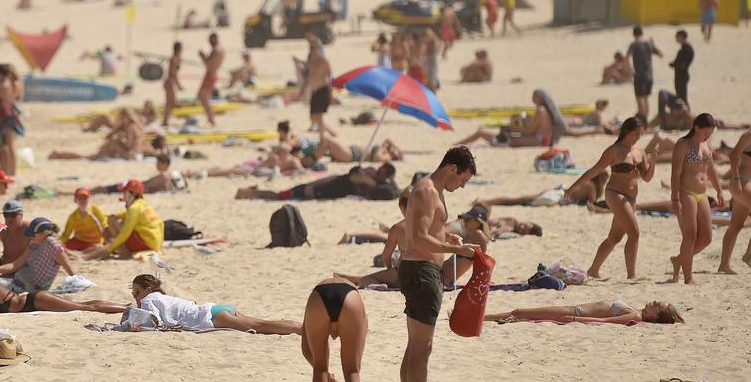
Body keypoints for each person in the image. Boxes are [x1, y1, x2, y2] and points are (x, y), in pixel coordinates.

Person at [400, 146, 478, 382]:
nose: (463, 186)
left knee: (416, 346)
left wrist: (446, 236)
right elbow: (418, 238)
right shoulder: (427, 190)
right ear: (452, 168)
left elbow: (428, 230)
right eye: (463, 179)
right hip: (422, 271)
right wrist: (456, 249)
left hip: (420, 270)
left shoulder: (434, 190)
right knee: (423, 348)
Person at [566, 117, 655, 279]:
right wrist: (572, 188)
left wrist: (653, 160)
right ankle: (632, 275)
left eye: (640, 134)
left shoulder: (639, 152)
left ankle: (593, 270)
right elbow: (593, 171)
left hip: (631, 197)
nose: (638, 137)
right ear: (627, 131)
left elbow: (647, 177)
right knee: (634, 233)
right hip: (615, 194)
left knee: (614, 238)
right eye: (636, 133)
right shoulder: (614, 151)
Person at [127, 273, 300, 334]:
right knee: (262, 323)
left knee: (261, 326)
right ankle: (302, 327)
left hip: (210, 316)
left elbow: (151, 323)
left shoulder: (148, 300)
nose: (136, 297)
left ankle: (303, 329)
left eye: (138, 292)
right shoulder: (162, 297)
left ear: (148, 289)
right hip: (215, 309)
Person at [670, 114, 723, 284]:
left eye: (710, 133)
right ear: (696, 127)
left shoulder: (706, 144)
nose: (707, 136)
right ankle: (688, 277)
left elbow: (711, 170)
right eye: (705, 132)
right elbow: (675, 174)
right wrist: (675, 198)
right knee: (690, 235)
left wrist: (719, 190)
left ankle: (679, 260)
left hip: (702, 194)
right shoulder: (682, 145)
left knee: (706, 237)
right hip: (686, 193)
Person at [0, 259, 125, 315]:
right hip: (34, 300)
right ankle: (125, 307)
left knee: (88, 308)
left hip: (36, 301)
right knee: (86, 304)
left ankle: (126, 309)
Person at [301, 278, 366, 382]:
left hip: (319, 295)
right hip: (350, 296)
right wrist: (329, 375)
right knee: (352, 370)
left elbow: (305, 348)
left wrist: (324, 372)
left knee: (319, 368)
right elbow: (357, 362)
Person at [80, 179, 163, 260]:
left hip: (146, 244)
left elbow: (125, 233)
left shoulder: (134, 208)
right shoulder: (143, 204)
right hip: (154, 244)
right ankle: (115, 248)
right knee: (112, 219)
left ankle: (124, 252)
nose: (123, 194)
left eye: (124, 192)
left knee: (113, 221)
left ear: (131, 193)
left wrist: (110, 248)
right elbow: (161, 224)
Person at [455, 89, 564, 148]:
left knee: (508, 140)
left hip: (540, 140)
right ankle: (458, 144)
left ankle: (457, 144)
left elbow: (531, 130)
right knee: (504, 138)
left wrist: (513, 129)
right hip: (544, 140)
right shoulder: (548, 111)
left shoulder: (541, 110)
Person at [0, 217, 75, 292]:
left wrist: (74, 281)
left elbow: (71, 272)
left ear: (44, 233)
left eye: (33, 234)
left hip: (31, 286)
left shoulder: (52, 244)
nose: (30, 236)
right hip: (18, 279)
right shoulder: (34, 244)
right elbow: (14, 265)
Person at [237, 164, 400, 202]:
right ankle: (249, 193)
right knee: (281, 195)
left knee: (283, 194)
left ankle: (251, 192)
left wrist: (367, 177)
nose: (378, 172)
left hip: (324, 188)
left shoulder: (374, 182)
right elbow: (352, 177)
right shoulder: (367, 176)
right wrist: (364, 175)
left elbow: (390, 191)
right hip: (321, 188)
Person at [483, 300, 683, 326]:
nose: (655, 301)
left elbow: (603, 320)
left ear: (655, 315)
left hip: (574, 311)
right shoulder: (638, 312)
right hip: (573, 309)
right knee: (522, 314)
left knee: (519, 311)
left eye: (658, 305)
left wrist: (576, 318)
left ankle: (481, 317)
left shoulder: (634, 317)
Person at [718, 131, 751, 274]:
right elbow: (733, 155)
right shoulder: (749, 135)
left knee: (735, 225)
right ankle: (749, 256)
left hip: (746, 183)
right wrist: (736, 178)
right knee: (735, 226)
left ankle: (724, 265)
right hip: (741, 181)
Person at [0, 64, 23, 176]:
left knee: (3, 147)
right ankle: (12, 172)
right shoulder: (17, 84)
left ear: (0, 74)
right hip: (12, 115)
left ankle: (5, 172)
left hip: (3, 117)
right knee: (10, 146)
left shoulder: (3, 86)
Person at [627, 26, 662, 120]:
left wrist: (630, 71)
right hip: (649, 76)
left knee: (640, 100)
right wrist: (653, 44)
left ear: (634, 34)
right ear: (642, 33)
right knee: (646, 99)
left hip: (639, 76)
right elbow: (661, 54)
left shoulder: (634, 44)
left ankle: (642, 121)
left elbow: (626, 59)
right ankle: (645, 120)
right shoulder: (648, 44)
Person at [304, 31, 335, 137]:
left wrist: (331, 93)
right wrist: (302, 90)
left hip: (323, 89)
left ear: (318, 50)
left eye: (314, 49)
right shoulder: (311, 62)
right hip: (314, 91)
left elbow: (330, 77)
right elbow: (308, 77)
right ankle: (331, 133)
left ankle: (324, 136)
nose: (313, 52)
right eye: (311, 50)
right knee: (314, 116)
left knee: (319, 116)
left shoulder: (324, 61)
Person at [197, 33, 224, 126]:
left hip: (211, 74)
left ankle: (211, 119)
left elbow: (209, 65)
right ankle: (210, 118)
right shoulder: (221, 49)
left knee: (203, 97)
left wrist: (202, 57)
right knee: (204, 97)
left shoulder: (216, 50)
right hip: (213, 73)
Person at [670, 30, 694, 105]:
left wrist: (674, 64)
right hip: (680, 75)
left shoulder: (687, 49)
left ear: (681, 37)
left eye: (677, 37)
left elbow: (682, 63)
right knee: (680, 96)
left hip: (682, 75)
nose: (676, 38)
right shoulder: (685, 48)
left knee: (682, 97)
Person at [162, 42, 183, 126]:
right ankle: (165, 120)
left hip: (171, 82)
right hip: (170, 82)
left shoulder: (177, 58)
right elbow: (173, 73)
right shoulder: (174, 59)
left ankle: (165, 121)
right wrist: (179, 85)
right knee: (173, 103)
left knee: (169, 103)